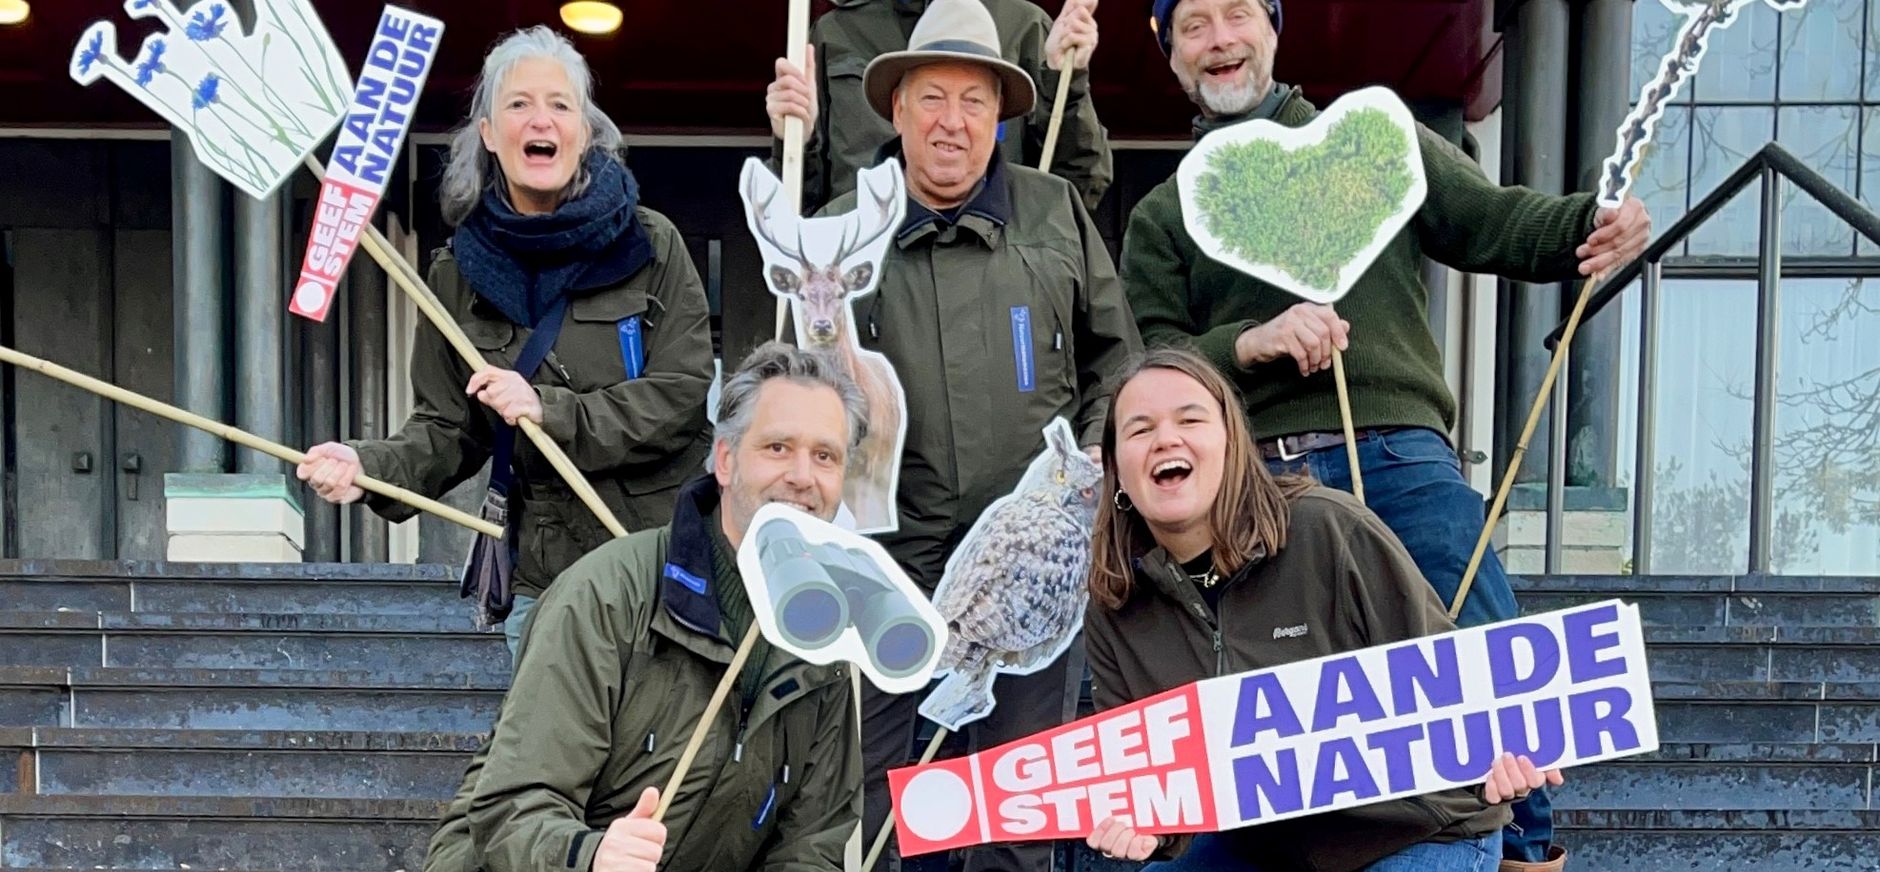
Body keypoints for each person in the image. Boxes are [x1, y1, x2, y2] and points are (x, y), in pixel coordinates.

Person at [1123, 1, 1652, 865]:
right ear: (1172, 55)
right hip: (1260, 486)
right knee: (1286, 703)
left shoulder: (1374, 140)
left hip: (1400, 454)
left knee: (1481, 654)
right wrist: (1249, 343)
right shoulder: (1164, 212)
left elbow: (1494, 221)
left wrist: (1588, 224)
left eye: (1237, 13)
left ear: (1273, 27)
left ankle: (1523, 853)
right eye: (1194, 26)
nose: (1219, 39)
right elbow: (1157, 360)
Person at [766, 1, 1142, 868]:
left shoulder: (1053, 210)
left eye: (974, 101)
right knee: (879, 792)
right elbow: (794, 386)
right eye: (931, 97)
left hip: (1028, 560)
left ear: (999, 114)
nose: (952, 121)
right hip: (886, 562)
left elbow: (1116, 361)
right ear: (896, 110)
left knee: (1020, 794)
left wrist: (1095, 452)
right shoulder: (837, 225)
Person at [297, 26, 713, 659]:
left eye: (559, 104)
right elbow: (448, 427)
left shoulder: (652, 244)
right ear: (489, 133)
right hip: (541, 579)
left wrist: (553, 411)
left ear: (583, 131)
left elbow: (683, 393)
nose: (540, 119)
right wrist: (369, 469)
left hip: (653, 562)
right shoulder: (455, 272)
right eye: (519, 104)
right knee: (543, 729)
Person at [1079, 347, 1565, 872]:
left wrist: (1506, 760)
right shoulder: (1114, 602)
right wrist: (1143, 825)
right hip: (1265, 847)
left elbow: (1454, 681)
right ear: (1116, 471)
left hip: (1418, 830)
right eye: (1140, 429)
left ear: (1233, 445)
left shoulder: (1329, 528)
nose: (1166, 439)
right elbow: (1147, 786)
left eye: (1190, 419)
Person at [419, 341, 868, 872]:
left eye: (825, 456)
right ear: (726, 461)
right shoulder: (606, 594)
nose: (802, 476)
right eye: (777, 447)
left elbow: (811, 846)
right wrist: (591, 855)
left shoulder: (826, 640)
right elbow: (510, 809)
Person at [766, 0, 1114, 214]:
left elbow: (1079, 187)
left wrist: (1066, 84)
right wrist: (796, 142)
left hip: (992, 271)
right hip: (867, 273)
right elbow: (795, 209)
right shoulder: (836, 32)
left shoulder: (1025, 26)